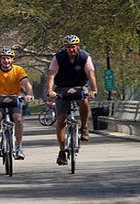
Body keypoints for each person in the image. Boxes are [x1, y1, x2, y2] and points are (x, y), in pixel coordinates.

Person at [47, 35, 98, 165]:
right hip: (62, 88)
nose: (71, 50)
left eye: (73, 47)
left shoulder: (85, 57)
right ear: (65, 48)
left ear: (78, 46)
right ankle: (62, 151)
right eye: (68, 47)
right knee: (61, 120)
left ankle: (85, 126)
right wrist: (50, 91)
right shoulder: (58, 57)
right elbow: (51, 74)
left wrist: (93, 90)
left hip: (79, 86)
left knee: (84, 100)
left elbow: (91, 74)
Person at [0, 47, 33, 160]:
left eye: (8, 58)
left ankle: (19, 147)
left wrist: (29, 94)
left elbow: (25, 82)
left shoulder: (19, 70)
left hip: (15, 99)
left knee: (18, 119)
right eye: (3, 58)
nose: (6, 61)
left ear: (12, 59)